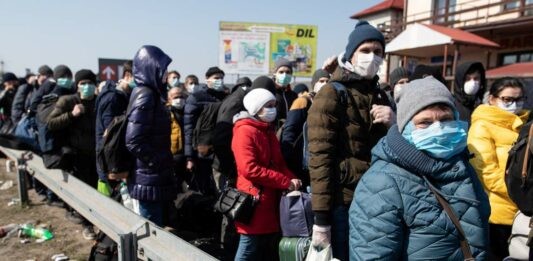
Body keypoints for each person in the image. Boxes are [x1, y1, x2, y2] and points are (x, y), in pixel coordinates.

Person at [349, 76, 490, 260]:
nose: (439, 129)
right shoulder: (381, 183)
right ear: (405, 127)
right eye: (425, 122)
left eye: (446, 119)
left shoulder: (461, 164)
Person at [307, 20, 394, 260]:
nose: (372, 57)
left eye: (378, 52)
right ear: (351, 54)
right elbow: (320, 161)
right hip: (343, 204)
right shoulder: (331, 94)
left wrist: (394, 123)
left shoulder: (379, 93)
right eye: (365, 50)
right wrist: (322, 221)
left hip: (378, 200)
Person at [232, 87, 301, 260]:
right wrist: (285, 181)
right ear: (256, 108)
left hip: (269, 198)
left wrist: (292, 178)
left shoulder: (267, 130)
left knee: (263, 248)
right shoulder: (245, 131)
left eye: (273, 105)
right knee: (248, 246)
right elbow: (249, 169)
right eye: (268, 105)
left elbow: (278, 163)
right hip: (253, 199)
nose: (273, 109)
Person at [467, 77, 530, 261]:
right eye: (507, 100)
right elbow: (487, 174)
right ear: (492, 99)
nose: (514, 104)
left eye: (519, 99)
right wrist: (522, 194)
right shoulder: (482, 126)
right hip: (497, 215)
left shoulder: (525, 126)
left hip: (522, 212)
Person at [213, 76, 275, 260]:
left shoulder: (264, 126)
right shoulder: (242, 115)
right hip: (235, 174)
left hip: (258, 185)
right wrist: (233, 169)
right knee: (234, 215)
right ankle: (226, 250)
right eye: (269, 104)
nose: (273, 109)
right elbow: (222, 139)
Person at [125, 45, 177, 226]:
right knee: (151, 234)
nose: (166, 73)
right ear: (150, 68)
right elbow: (133, 141)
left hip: (153, 177)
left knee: (157, 229)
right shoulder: (146, 95)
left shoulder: (153, 94)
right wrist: (157, 161)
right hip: (147, 178)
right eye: (162, 69)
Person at [47, 69, 99, 240]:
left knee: (100, 191)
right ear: (77, 85)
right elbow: (51, 123)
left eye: (90, 83)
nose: (87, 87)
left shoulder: (99, 102)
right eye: (83, 84)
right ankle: (87, 225)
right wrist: (72, 114)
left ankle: (100, 222)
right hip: (78, 156)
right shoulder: (68, 101)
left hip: (97, 155)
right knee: (85, 192)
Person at [280, 69, 330, 189]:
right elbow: (290, 130)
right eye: (321, 81)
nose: (325, 84)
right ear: (314, 84)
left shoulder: (329, 103)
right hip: (300, 163)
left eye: (328, 81)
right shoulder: (303, 102)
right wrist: (287, 162)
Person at [183, 66, 227, 195]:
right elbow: (188, 128)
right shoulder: (196, 98)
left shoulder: (226, 97)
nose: (219, 80)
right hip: (202, 152)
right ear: (207, 79)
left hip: (220, 152)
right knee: (202, 189)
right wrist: (189, 157)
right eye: (216, 78)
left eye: (221, 78)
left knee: (220, 189)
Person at [95, 60, 134, 194]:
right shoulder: (113, 98)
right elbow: (110, 135)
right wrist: (116, 170)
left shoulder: (125, 96)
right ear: (128, 75)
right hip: (112, 165)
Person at [166, 87, 187, 183]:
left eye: (181, 96)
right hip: (171, 154)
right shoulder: (165, 112)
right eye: (175, 97)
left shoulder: (188, 111)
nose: (179, 99)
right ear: (169, 99)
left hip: (185, 154)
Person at [272, 58, 298, 129]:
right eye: (281, 72)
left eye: (287, 72)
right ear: (275, 73)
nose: (284, 75)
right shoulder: (270, 93)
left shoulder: (294, 96)